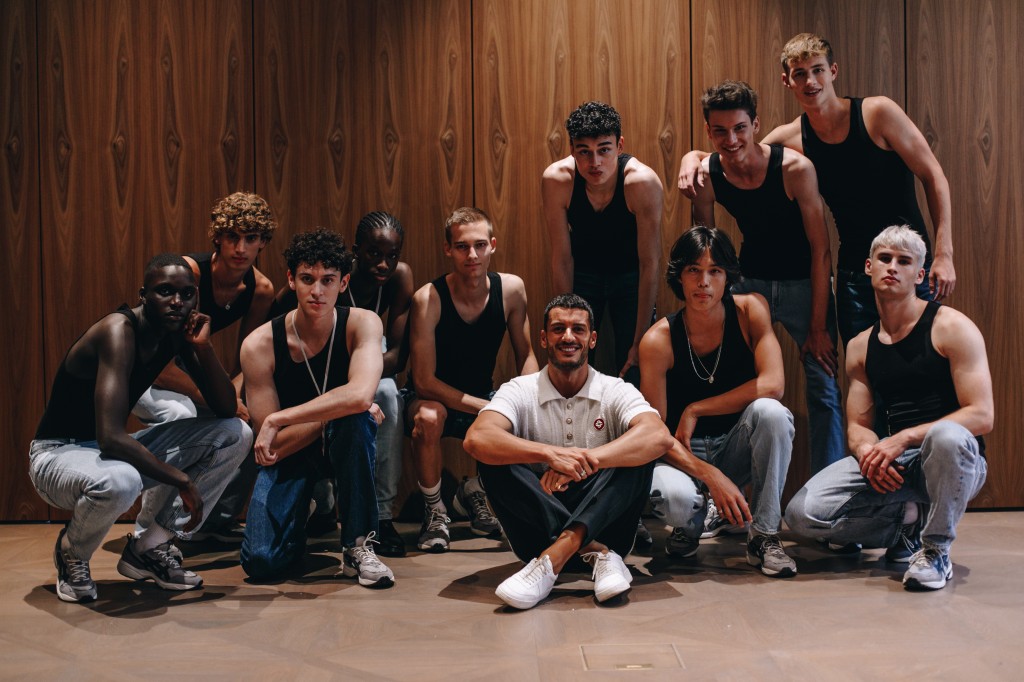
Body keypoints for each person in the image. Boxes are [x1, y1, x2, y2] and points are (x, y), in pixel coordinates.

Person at [678, 33, 954, 345]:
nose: (810, 81)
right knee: (862, 361)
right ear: (787, 81)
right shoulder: (791, 137)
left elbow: (933, 176)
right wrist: (693, 157)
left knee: (922, 359)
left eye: (817, 70)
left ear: (832, 71)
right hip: (854, 270)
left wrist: (944, 254)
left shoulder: (877, 114)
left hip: (909, 262)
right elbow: (738, 151)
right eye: (800, 74)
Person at [29, 254, 252, 602]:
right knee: (123, 480)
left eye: (187, 294)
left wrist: (203, 347)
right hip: (57, 455)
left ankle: (148, 548)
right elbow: (110, 437)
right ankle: (72, 552)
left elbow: (225, 408)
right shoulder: (118, 331)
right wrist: (182, 480)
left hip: (102, 453)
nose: (177, 302)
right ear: (143, 295)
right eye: (165, 291)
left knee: (235, 433)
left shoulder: (179, 333)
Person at [785, 226, 992, 591]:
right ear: (869, 267)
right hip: (897, 462)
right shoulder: (861, 345)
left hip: (955, 460)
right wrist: (868, 451)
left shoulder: (952, 327)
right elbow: (858, 425)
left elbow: (981, 414)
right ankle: (907, 524)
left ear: (920, 275)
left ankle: (935, 551)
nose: (892, 267)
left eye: (904, 261)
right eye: (884, 259)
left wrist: (903, 438)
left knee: (945, 435)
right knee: (802, 514)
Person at [464, 294, 673, 609]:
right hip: (536, 535)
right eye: (558, 328)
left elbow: (659, 436)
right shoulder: (519, 389)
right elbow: (476, 438)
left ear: (592, 339)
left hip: (608, 526)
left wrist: (588, 460)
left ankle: (553, 559)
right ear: (544, 338)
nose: (568, 337)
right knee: (494, 456)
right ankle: (596, 551)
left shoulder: (614, 389)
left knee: (637, 452)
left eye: (578, 329)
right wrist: (549, 454)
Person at [688, 80, 843, 478]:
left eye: (740, 128)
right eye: (720, 131)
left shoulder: (794, 169)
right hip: (749, 283)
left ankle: (828, 497)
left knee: (823, 385)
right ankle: (725, 493)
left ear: (755, 125)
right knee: (728, 379)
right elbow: (706, 250)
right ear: (708, 132)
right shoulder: (708, 175)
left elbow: (821, 249)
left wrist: (818, 326)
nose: (731, 140)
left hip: (804, 284)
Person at [239, 229, 394, 588]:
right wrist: (333, 412)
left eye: (328, 280)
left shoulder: (362, 323)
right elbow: (273, 448)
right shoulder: (260, 344)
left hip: (345, 443)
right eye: (307, 279)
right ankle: (302, 516)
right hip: (294, 453)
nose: (317, 291)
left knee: (357, 420)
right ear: (291, 280)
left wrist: (280, 418)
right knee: (261, 562)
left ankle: (358, 546)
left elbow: (360, 396)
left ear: (344, 283)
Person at [639, 227, 797, 578]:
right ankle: (690, 523)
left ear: (728, 276)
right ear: (679, 276)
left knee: (772, 413)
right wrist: (710, 475)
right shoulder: (658, 340)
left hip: (735, 446)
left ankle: (764, 536)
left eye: (715, 271)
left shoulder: (750, 311)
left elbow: (773, 385)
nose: (704, 282)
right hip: (685, 455)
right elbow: (654, 436)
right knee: (673, 499)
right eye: (693, 270)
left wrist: (697, 408)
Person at [134, 192, 276, 542]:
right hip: (142, 372)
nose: (240, 248)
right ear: (217, 237)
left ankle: (208, 523)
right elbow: (158, 364)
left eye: (251, 238)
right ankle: (146, 533)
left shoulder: (260, 290)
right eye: (232, 237)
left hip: (188, 371)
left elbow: (247, 358)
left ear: (263, 242)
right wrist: (215, 397)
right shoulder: (190, 273)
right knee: (180, 415)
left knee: (248, 421)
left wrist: (234, 397)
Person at [272, 213, 413, 558]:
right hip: (318, 359)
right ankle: (321, 499)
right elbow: (273, 330)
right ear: (355, 252)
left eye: (392, 255)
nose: (383, 264)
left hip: (367, 361)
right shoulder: (325, 276)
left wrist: (357, 381)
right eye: (373, 254)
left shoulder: (400, 277)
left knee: (386, 394)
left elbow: (397, 355)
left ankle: (381, 514)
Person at [406, 207, 538, 553]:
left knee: (528, 415)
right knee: (429, 417)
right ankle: (435, 511)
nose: (473, 255)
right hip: (430, 397)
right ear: (448, 249)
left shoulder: (511, 289)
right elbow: (424, 381)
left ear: (492, 245)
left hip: (482, 393)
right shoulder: (428, 298)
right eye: (462, 246)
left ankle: (474, 491)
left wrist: (530, 400)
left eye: (480, 245)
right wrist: (487, 407)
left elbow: (526, 354)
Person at [543, 101, 663, 385]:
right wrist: (565, 322)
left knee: (634, 366)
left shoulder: (640, 182)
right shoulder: (558, 180)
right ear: (572, 150)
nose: (594, 162)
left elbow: (650, 263)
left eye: (604, 150)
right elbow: (562, 258)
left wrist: (640, 340)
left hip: (631, 274)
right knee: (571, 359)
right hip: (583, 271)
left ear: (620, 146)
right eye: (584, 152)